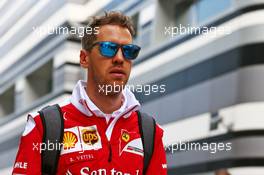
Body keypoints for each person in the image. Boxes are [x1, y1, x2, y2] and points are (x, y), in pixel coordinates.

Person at [12, 11, 167, 175]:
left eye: (129, 51)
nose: (120, 58)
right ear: (84, 58)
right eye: (108, 48)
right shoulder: (43, 126)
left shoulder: (150, 132)